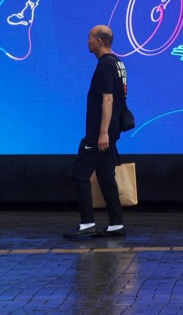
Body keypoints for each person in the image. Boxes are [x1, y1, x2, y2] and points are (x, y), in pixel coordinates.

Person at [64, 25, 128, 239]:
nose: (87, 41)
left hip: (100, 132)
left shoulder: (105, 65)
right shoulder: (118, 63)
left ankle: (87, 222)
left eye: (90, 37)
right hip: (112, 130)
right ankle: (116, 224)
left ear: (99, 41)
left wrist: (102, 132)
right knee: (105, 175)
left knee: (79, 173)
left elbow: (108, 99)